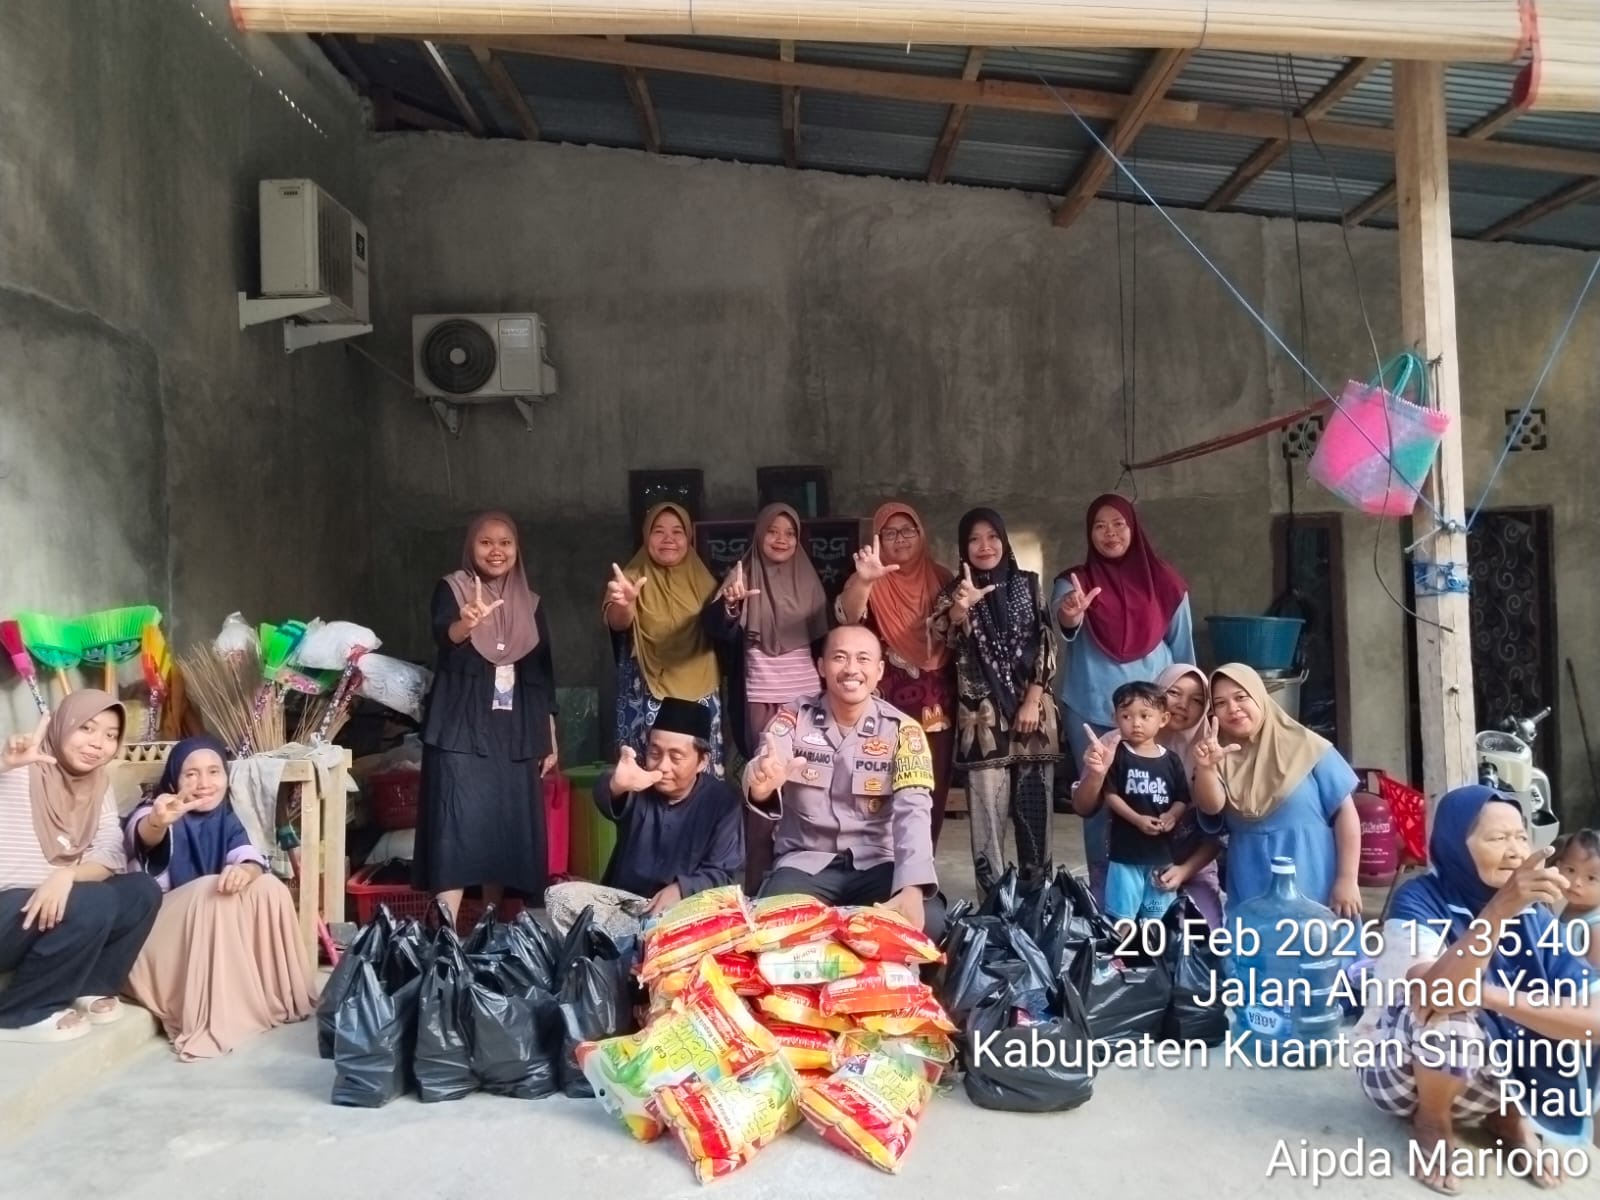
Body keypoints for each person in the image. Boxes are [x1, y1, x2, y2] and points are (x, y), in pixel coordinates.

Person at [1354, 786, 1598, 1193]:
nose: (1515, 852)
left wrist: (1487, 995)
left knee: (1564, 1017)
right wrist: (1499, 909)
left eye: (1521, 837)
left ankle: (1509, 1116)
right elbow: (1434, 996)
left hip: (1485, 1075)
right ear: (1455, 845)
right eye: (1498, 838)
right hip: (1399, 1071)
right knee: (1451, 1017)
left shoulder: (1536, 917)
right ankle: (1433, 1120)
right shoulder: (1420, 898)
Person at [744, 625, 945, 940]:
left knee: (929, 924)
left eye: (863, 659)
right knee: (772, 927)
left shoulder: (904, 731)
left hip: (877, 863)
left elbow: (914, 812)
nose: (852, 669)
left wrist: (912, 886)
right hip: (805, 863)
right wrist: (760, 781)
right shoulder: (793, 718)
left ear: (879, 671)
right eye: (839, 657)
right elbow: (768, 758)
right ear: (821, 667)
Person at [122, 736, 316, 1060]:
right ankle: (217, 1014)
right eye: (191, 774)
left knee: (268, 887)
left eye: (214, 772)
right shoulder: (156, 810)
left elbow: (249, 856)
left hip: (202, 922)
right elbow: (142, 836)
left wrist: (246, 871)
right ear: (174, 779)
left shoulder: (225, 817)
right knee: (212, 890)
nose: (204, 783)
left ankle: (276, 997)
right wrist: (157, 821)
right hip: (151, 936)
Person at [415, 511, 559, 920]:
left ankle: (491, 925)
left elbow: (543, 674)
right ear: (470, 547)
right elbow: (444, 635)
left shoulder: (531, 603)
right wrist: (466, 624)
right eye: (486, 542)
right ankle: (446, 931)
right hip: (459, 727)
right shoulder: (453, 588)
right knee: (455, 826)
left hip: (514, 731)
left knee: (502, 827)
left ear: (517, 550)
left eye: (505, 543)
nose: (496, 551)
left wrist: (549, 734)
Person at [1052, 494, 1196, 897]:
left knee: (1155, 795)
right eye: (1099, 526)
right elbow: (1063, 620)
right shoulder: (1074, 582)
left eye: (1118, 524)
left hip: (1153, 715)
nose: (1110, 533)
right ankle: (1103, 893)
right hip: (1092, 711)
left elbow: (1183, 651)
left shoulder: (1166, 583)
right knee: (1097, 800)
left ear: (1134, 528)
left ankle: (1157, 890)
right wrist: (1072, 614)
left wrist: (1184, 708)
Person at [0, 695, 161, 1043]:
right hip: (5, 912)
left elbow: (109, 852)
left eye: (110, 735)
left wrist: (66, 875)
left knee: (141, 891)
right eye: (86, 728)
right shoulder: (18, 768)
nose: (98, 743)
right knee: (93, 901)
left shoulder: (96, 784)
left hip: (48, 906)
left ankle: (89, 986)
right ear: (62, 725)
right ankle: (19, 1013)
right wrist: (3, 764)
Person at [929, 507, 1060, 894]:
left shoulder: (1029, 584)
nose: (984, 546)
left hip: (1033, 714)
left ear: (1004, 541)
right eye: (974, 539)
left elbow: (1046, 640)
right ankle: (994, 904)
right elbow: (941, 634)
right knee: (987, 821)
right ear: (963, 547)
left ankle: (1037, 901)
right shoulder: (954, 591)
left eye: (992, 537)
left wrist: (1033, 698)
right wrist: (962, 606)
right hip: (981, 719)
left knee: (1035, 813)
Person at [545, 699, 744, 942]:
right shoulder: (639, 782)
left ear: (702, 761)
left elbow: (723, 873)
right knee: (558, 898)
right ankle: (625, 947)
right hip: (624, 906)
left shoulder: (723, 802)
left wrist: (682, 889)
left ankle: (625, 949)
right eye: (655, 753)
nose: (662, 766)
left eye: (676, 757)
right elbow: (606, 797)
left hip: (684, 913)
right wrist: (616, 785)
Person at [703, 502, 828, 892]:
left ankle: (805, 885)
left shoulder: (810, 580)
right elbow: (715, 630)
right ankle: (758, 888)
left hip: (807, 705)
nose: (781, 539)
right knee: (762, 789)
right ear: (759, 534)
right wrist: (731, 603)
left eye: (789, 533)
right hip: (759, 702)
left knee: (806, 793)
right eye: (773, 531)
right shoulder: (741, 575)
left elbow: (827, 641)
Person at [1188, 663, 1362, 919]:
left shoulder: (1308, 746)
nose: (1233, 709)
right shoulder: (1217, 753)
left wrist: (1347, 879)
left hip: (1314, 876)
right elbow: (1211, 807)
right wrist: (1206, 769)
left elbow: (1345, 813)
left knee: (1319, 943)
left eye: (1241, 697)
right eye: (1220, 703)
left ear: (1259, 697)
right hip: (1250, 882)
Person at [835, 501, 956, 849]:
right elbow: (848, 617)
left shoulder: (942, 577)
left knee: (931, 784)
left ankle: (922, 862)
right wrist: (865, 581)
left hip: (937, 703)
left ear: (921, 534)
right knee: (879, 783)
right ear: (878, 538)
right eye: (890, 533)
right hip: (885, 703)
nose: (900, 539)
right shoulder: (867, 576)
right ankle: (880, 862)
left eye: (907, 531)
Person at [1075, 664, 1225, 926]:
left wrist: (1184, 870)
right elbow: (1083, 807)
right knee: (1111, 927)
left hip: (1193, 864)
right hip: (1128, 856)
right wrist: (1097, 775)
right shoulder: (1113, 744)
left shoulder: (1211, 748)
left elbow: (1217, 828)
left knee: (1200, 934)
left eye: (1197, 700)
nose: (1183, 705)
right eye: (1174, 693)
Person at [605, 502, 724, 775]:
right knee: (649, 769)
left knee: (697, 770)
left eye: (677, 531)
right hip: (647, 688)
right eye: (658, 531)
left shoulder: (705, 581)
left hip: (701, 688)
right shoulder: (631, 577)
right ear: (646, 536)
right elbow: (617, 622)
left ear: (688, 537)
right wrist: (625, 605)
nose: (668, 539)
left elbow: (723, 628)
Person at [1097, 681, 1191, 925]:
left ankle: (1154, 950)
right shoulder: (1117, 755)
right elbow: (1110, 795)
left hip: (1162, 855)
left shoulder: (1171, 760)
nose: (1135, 723)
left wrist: (1171, 815)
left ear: (1163, 719)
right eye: (1126, 716)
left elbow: (1182, 798)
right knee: (1122, 918)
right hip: (1126, 854)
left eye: (1144, 716)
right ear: (1115, 718)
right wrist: (1137, 819)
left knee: (1159, 919)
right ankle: (1121, 949)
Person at [1553, 829, 1600, 970]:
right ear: (1558, 867)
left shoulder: (1595, 930)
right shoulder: (1569, 906)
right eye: (1571, 870)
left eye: (1591, 878)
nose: (1577, 882)